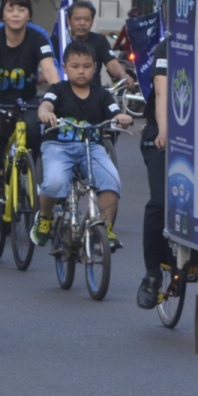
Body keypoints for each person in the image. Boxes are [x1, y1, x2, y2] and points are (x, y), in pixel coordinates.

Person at [0, 0, 59, 246]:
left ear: (29, 13)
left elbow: (50, 70)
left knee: (37, 131)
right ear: (3, 13)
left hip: (27, 103)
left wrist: (58, 98)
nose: (16, 14)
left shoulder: (38, 36)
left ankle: (29, 175)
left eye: (21, 9)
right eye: (11, 9)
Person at [33, 40, 133, 244]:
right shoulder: (57, 89)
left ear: (95, 68)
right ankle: (44, 217)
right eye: (75, 66)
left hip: (92, 147)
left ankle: (105, 228)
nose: (81, 72)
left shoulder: (102, 94)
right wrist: (45, 114)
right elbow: (46, 105)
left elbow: (114, 112)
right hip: (57, 147)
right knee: (54, 182)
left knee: (112, 180)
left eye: (87, 67)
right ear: (65, 67)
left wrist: (122, 118)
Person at [136, 37, 173, 309]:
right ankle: (151, 273)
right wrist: (163, 130)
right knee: (160, 201)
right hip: (162, 131)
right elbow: (161, 91)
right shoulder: (167, 46)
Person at [64, 0, 129, 84]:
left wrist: (123, 75)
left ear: (92, 20)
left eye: (87, 19)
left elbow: (112, 63)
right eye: (77, 19)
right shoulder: (59, 41)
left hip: (95, 93)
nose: (82, 23)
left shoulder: (100, 40)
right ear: (68, 20)